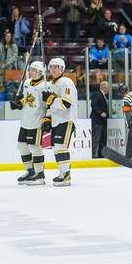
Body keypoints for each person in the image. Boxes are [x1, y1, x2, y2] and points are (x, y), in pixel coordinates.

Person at [10, 61, 48, 185]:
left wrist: (48, 118)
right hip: (25, 120)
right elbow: (27, 99)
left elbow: (47, 104)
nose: (30, 72)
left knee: (35, 147)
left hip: (37, 121)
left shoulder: (45, 86)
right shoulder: (26, 83)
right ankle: (30, 171)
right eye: (30, 69)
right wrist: (19, 103)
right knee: (21, 146)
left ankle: (40, 174)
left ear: (40, 72)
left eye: (33, 70)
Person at [42, 58, 77, 186]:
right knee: (57, 149)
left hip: (67, 120)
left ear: (62, 69)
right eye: (51, 66)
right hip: (56, 121)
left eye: (56, 66)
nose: (53, 69)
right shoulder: (51, 84)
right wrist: (47, 118)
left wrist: (51, 99)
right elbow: (51, 106)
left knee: (61, 147)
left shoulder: (66, 82)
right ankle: (62, 173)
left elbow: (66, 103)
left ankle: (66, 175)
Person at [91, 81, 109, 158]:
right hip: (97, 120)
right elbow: (93, 104)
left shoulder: (104, 96)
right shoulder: (97, 94)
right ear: (103, 87)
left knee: (103, 138)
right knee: (96, 138)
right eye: (108, 87)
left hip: (103, 121)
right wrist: (100, 112)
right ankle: (92, 153)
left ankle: (101, 154)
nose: (109, 89)